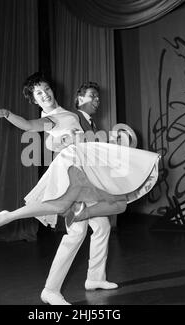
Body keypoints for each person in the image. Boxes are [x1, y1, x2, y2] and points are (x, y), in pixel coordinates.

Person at [0, 72, 160, 302]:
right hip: (71, 167)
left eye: (46, 89)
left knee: (101, 226)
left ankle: (94, 278)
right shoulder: (50, 118)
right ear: (34, 100)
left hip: (85, 166)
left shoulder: (66, 113)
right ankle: (48, 285)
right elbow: (29, 125)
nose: (45, 95)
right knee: (75, 226)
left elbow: (64, 139)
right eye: (38, 94)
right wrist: (8, 114)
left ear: (52, 89)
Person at [40, 82, 118, 305]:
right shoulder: (71, 117)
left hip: (87, 186)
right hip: (72, 184)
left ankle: (94, 278)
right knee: (76, 234)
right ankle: (50, 289)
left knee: (102, 226)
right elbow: (51, 140)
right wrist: (62, 141)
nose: (97, 100)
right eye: (92, 96)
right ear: (79, 98)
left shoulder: (92, 123)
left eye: (98, 97)